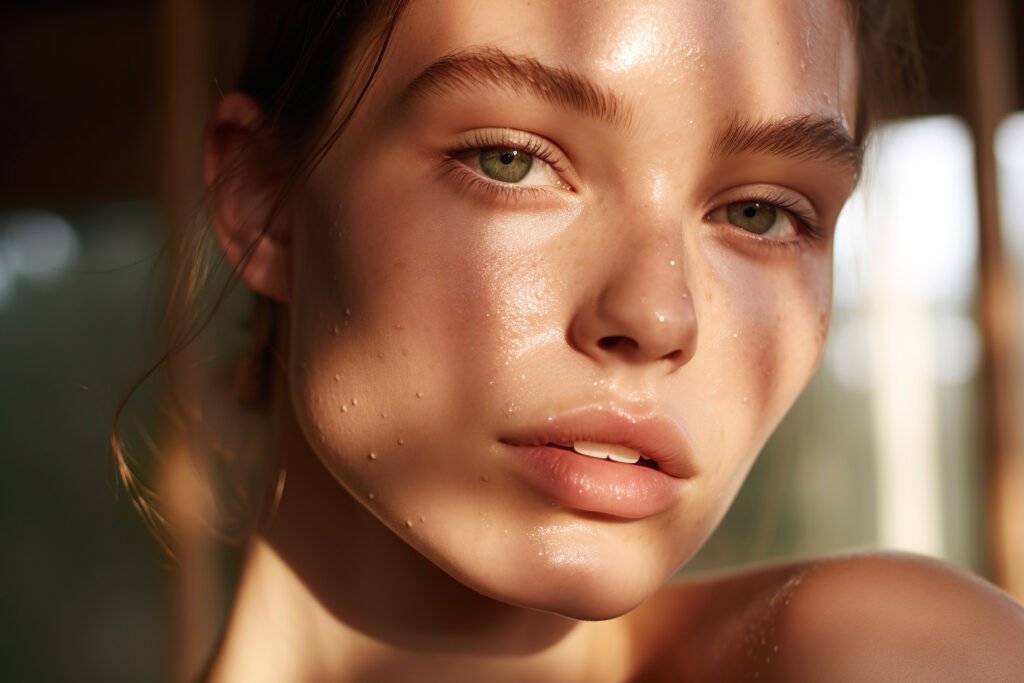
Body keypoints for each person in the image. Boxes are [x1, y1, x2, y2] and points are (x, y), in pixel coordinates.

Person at [128, 0, 1024, 680]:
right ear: (263, 203)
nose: (659, 315)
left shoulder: (883, 652)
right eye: (509, 160)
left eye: (760, 213)